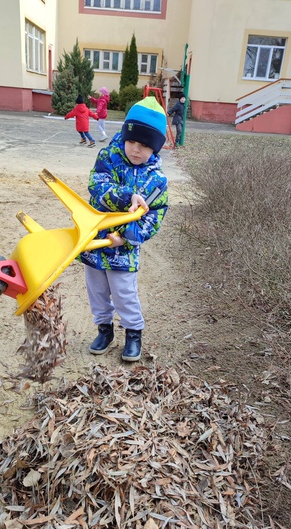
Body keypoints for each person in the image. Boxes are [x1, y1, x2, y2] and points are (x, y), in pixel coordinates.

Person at [79, 96, 168, 362]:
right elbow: (98, 187)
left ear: (155, 148)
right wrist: (128, 197)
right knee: (96, 291)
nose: (136, 150)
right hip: (95, 241)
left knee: (124, 293)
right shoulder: (108, 157)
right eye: (132, 142)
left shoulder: (156, 180)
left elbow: (153, 217)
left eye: (145, 145)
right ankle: (104, 330)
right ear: (125, 136)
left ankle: (133, 333)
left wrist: (126, 239)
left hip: (123, 249)